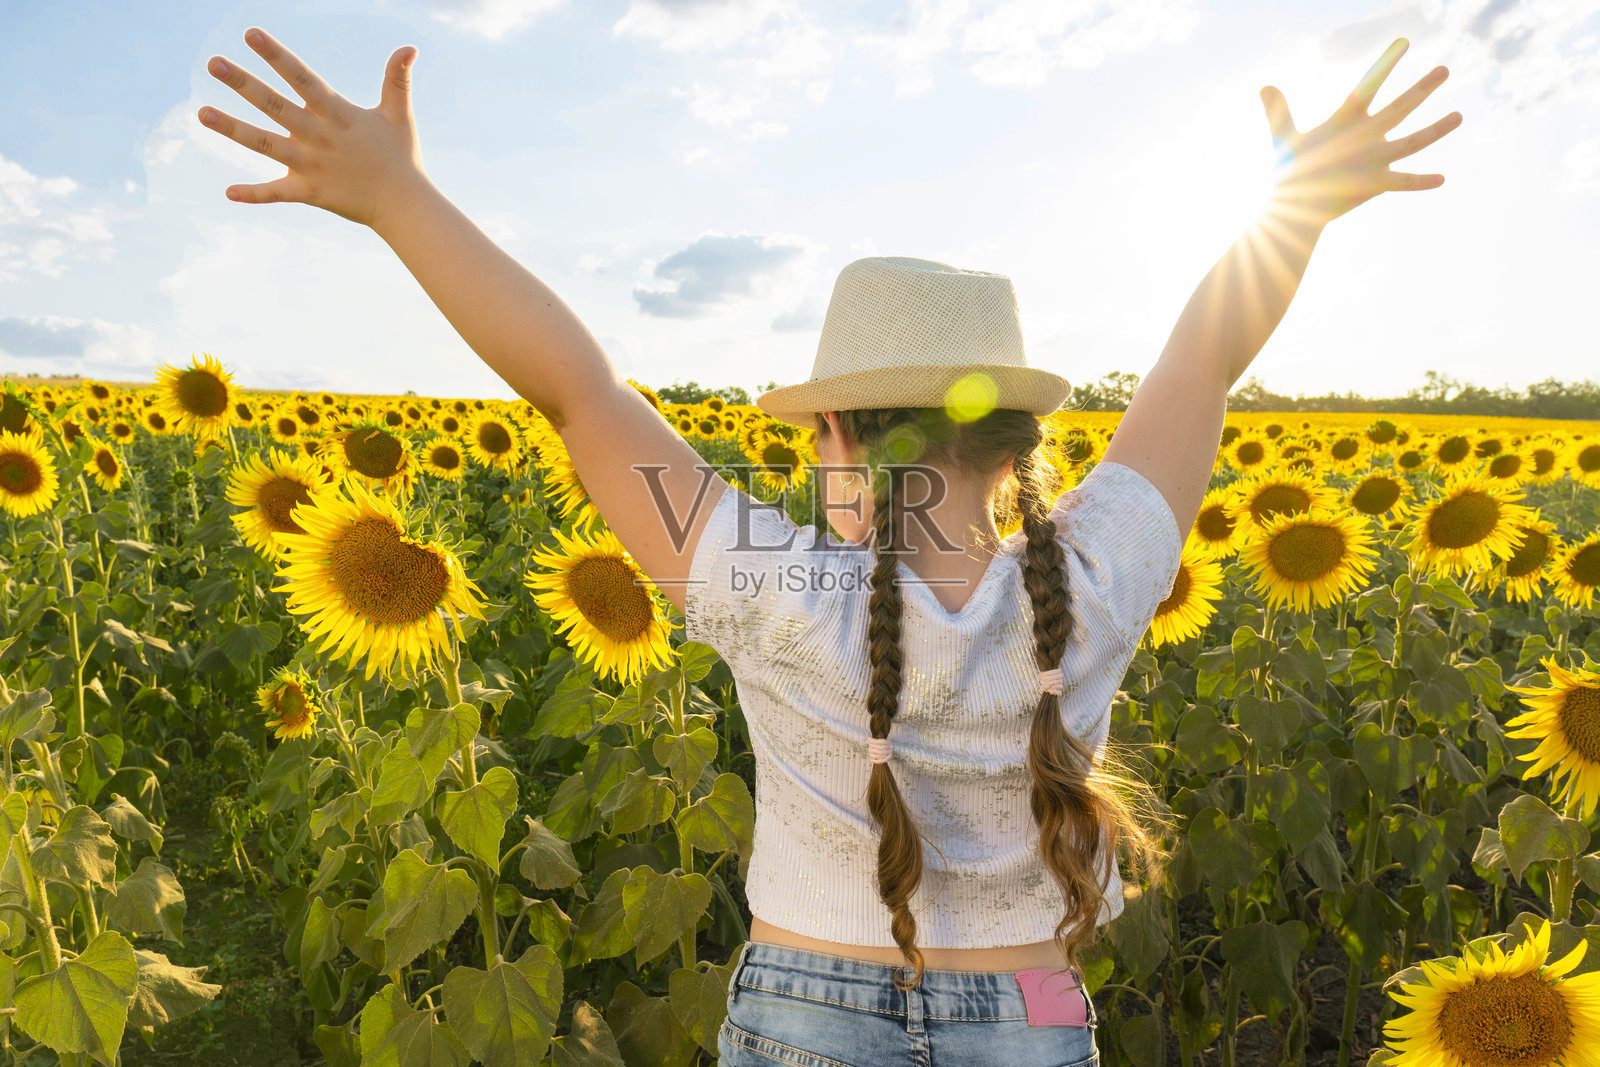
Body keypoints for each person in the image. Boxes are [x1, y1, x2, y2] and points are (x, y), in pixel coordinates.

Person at [197, 27, 1460, 1065]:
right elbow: (1204, 355)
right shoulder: (1103, 576)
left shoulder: (771, 587)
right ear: (1024, 447)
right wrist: (1302, 208)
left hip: (807, 1011)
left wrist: (399, 200)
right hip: (1029, 1022)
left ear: (835, 431)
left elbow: (575, 387)